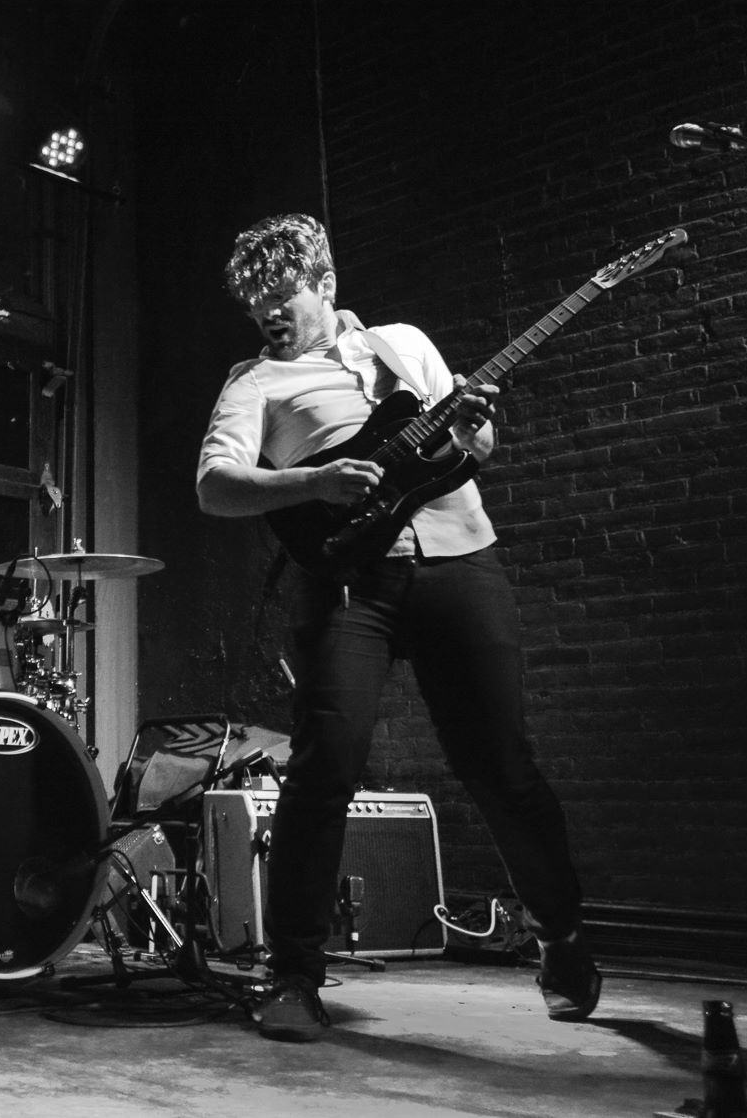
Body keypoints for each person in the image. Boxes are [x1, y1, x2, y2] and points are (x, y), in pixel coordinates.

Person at [194, 212, 599, 1042]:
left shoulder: (404, 344)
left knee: (502, 765)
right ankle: (294, 975)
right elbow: (216, 485)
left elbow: (474, 446)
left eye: (281, 294)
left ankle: (561, 937)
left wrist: (472, 429)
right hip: (349, 579)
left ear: (325, 283)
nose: (268, 312)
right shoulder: (254, 382)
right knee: (323, 767)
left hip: (458, 556)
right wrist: (312, 482)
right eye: (255, 302)